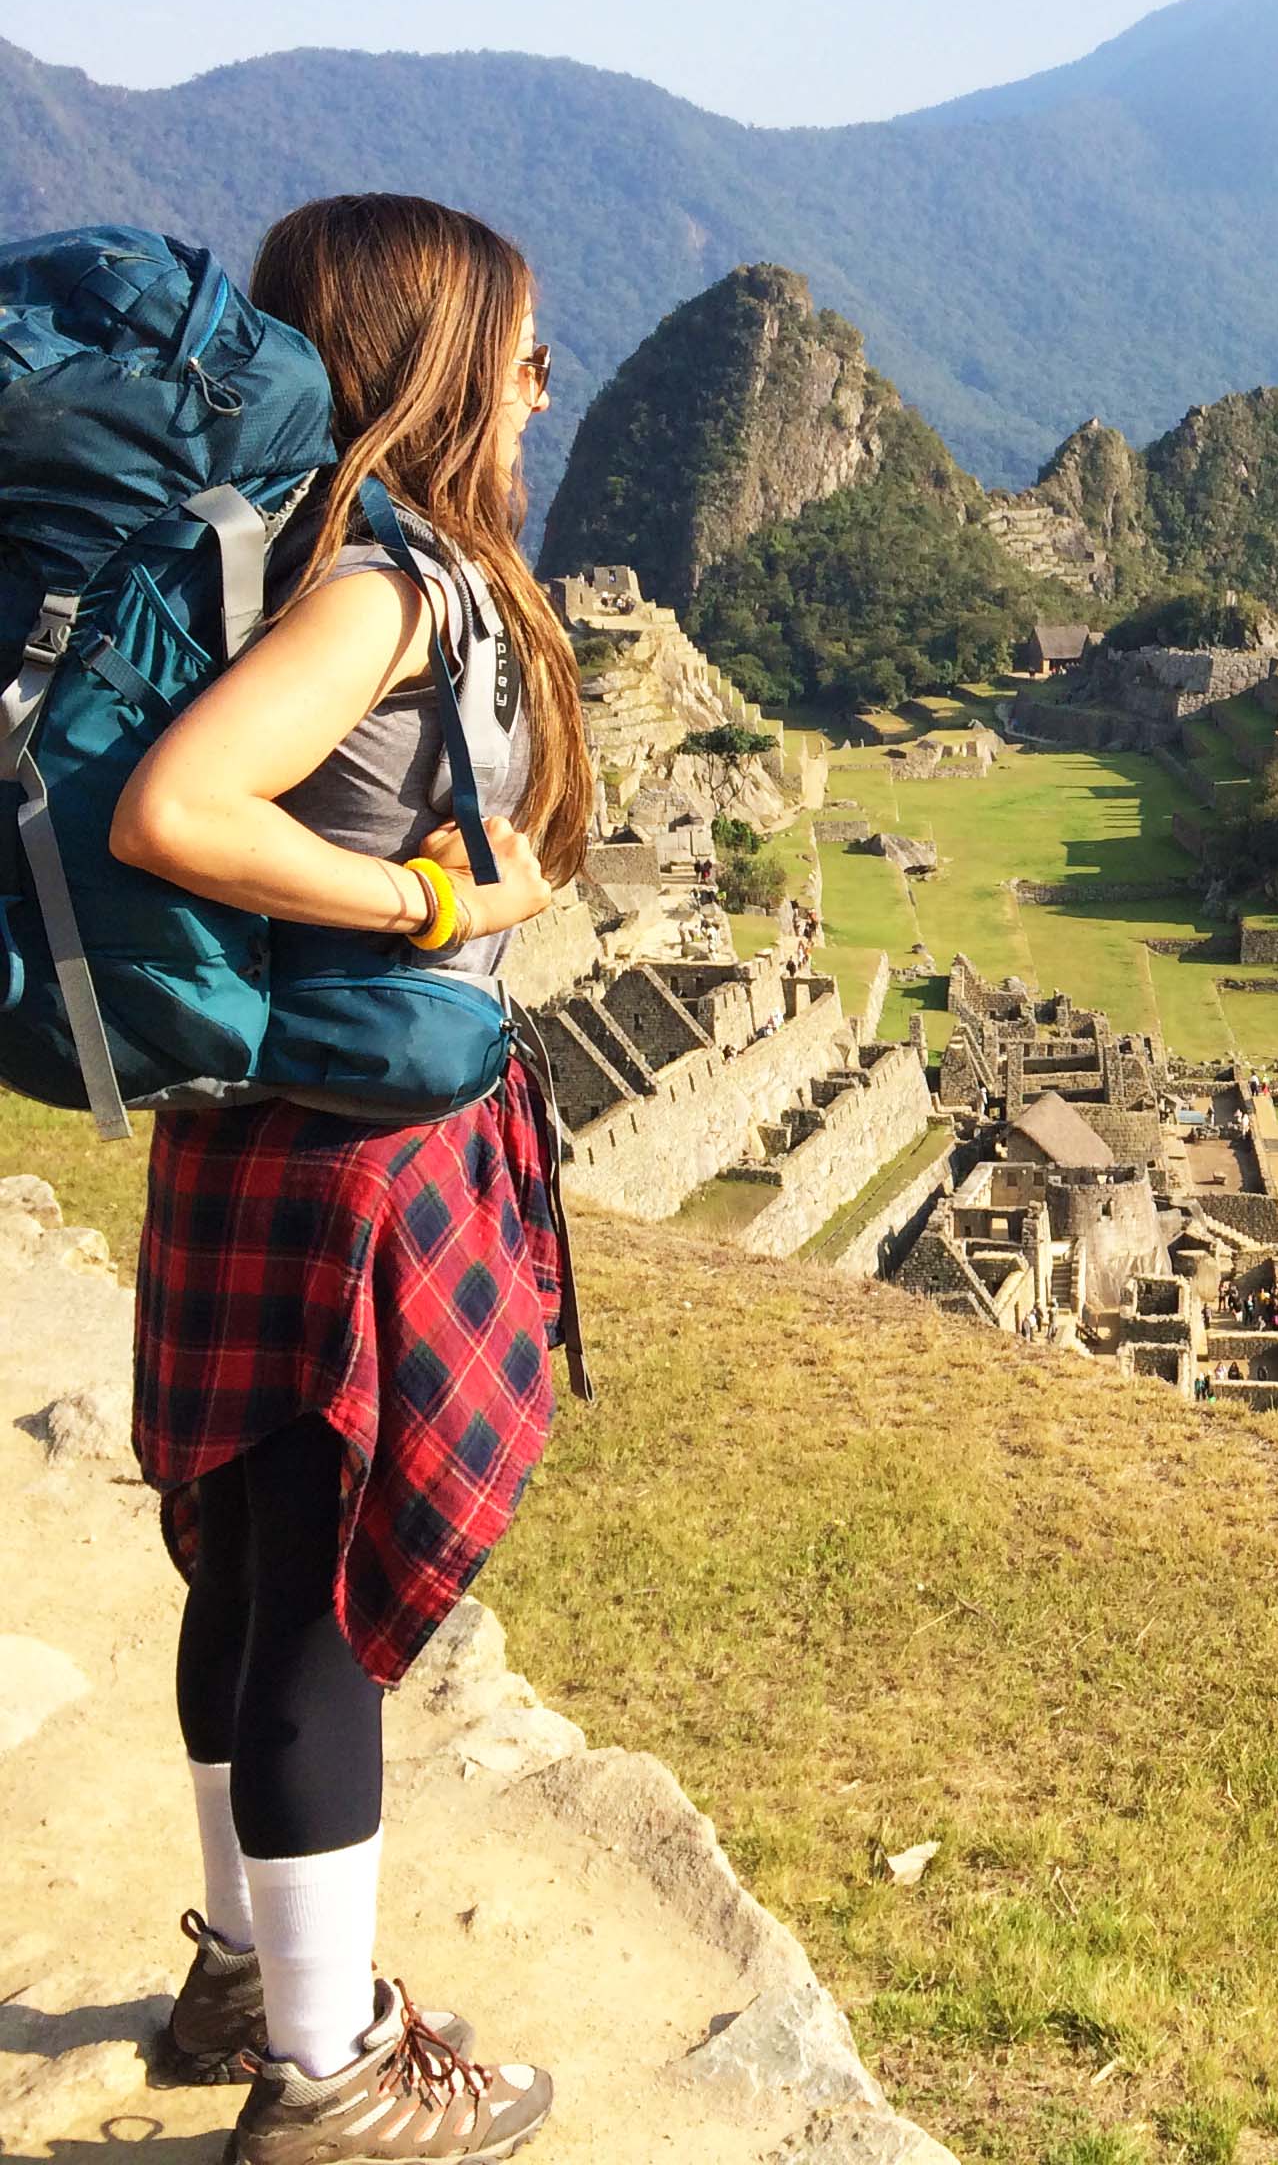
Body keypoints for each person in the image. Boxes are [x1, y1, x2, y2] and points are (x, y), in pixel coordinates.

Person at [110, 195, 586, 2163]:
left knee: (249, 1571)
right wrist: (435, 904)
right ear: (441, 365)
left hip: (261, 1131)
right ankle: (326, 2071)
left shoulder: (294, 559)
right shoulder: (387, 593)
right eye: (524, 353)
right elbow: (176, 808)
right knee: (316, 1606)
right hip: (353, 1166)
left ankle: (248, 1968)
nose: (546, 387)